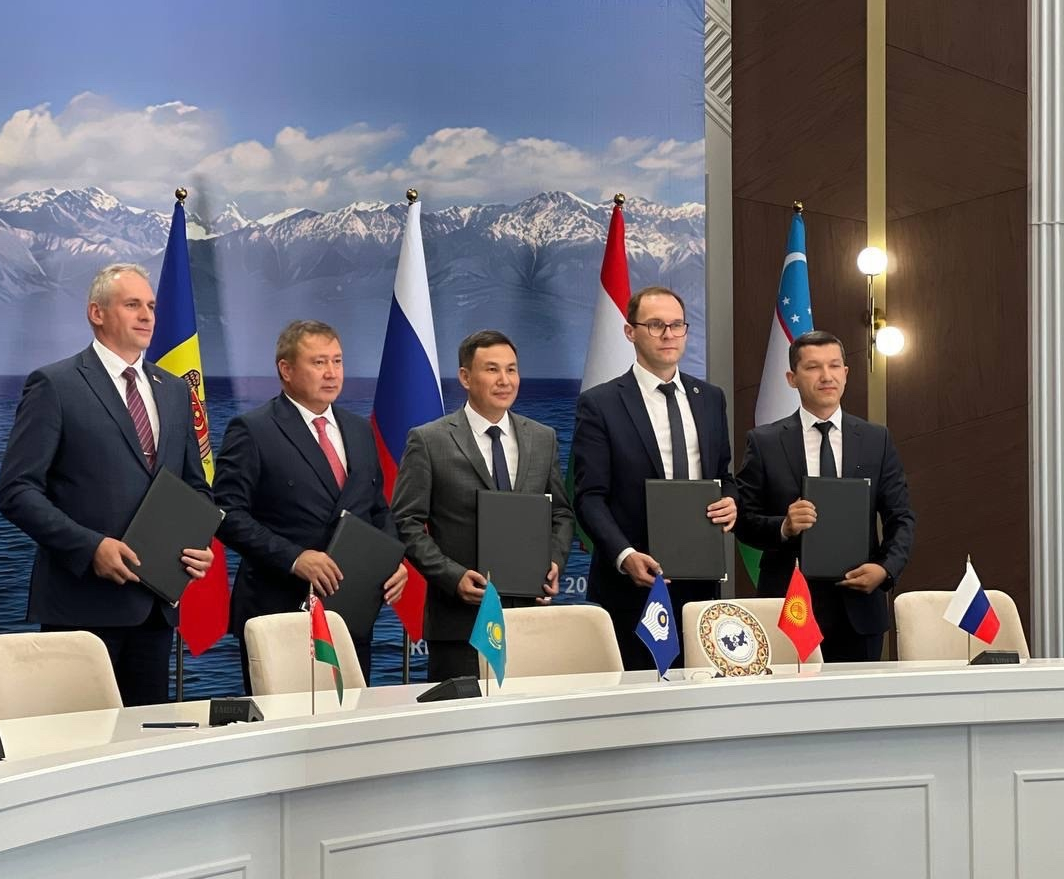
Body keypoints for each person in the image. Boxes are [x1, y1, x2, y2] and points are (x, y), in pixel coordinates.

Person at [0, 263, 215, 706]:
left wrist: (199, 542)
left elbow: (196, 487)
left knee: (148, 740)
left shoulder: (174, 391)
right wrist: (90, 547)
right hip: (81, 606)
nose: (147, 316)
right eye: (132, 305)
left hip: (155, 608)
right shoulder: (55, 385)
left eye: (151, 306)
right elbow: (16, 491)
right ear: (96, 313)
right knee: (79, 739)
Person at [213, 320, 407, 690]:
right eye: (319, 362)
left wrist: (392, 560)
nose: (332, 373)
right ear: (286, 370)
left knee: (349, 718)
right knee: (286, 722)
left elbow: (376, 508)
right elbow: (226, 513)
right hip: (279, 611)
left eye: (337, 361)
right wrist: (295, 558)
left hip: (349, 614)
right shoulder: (253, 429)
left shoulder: (359, 430)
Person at [392, 330, 574, 682]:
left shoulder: (543, 437)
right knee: (459, 716)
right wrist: (453, 577)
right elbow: (406, 522)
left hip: (529, 619)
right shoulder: (429, 440)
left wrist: (553, 561)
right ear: (465, 377)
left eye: (511, 369)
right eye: (492, 369)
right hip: (459, 623)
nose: (505, 380)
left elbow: (561, 513)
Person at [572, 286, 737, 670]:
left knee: (699, 692)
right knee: (636, 695)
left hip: (700, 583)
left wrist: (732, 501)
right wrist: (624, 555)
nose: (668, 334)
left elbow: (723, 476)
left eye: (677, 325)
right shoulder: (600, 403)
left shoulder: (710, 398)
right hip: (631, 586)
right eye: (656, 325)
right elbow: (589, 497)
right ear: (630, 332)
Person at [735, 330, 915, 662]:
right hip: (789, 606)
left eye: (834, 366)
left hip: (860, 607)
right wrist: (784, 526)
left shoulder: (876, 439)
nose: (826, 376)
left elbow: (901, 517)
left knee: (858, 697)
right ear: (792, 378)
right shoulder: (764, 442)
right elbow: (743, 521)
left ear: (846, 373)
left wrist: (885, 570)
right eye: (813, 367)